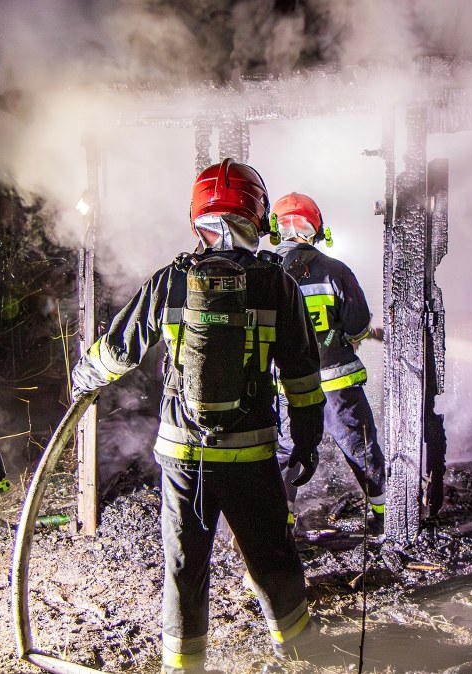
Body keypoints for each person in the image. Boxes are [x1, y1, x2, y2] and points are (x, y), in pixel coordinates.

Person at [70, 159, 326, 673]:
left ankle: (182, 666)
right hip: (251, 453)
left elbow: (119, 352)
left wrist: (82, 378)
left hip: (184, 457)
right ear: (257, 215)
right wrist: (306, 443)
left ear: (197, 218)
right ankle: (300, 655)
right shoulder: (278, 286)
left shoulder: (171, 280)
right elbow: (303, 377)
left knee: (185, 568)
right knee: (271, 558)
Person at [269, 192, 387, 536]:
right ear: (318, 229)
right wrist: (359, 334)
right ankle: (385, 516)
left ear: (275, 229)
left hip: (285, 386)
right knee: (358, 445)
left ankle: (282, 527)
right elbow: (357, 325)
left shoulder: (263, 274)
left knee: (286, 451)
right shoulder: (335, 270)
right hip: (336, 383)